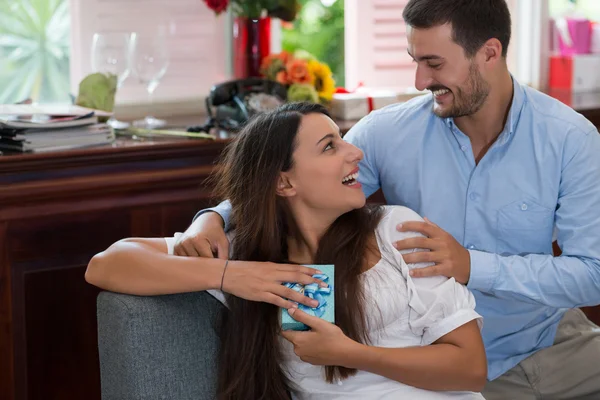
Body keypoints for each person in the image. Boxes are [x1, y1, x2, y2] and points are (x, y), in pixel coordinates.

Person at [175, 1, 600, 399]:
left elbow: (593, 274)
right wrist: (214, 216)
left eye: (434, 63)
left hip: (546, 341)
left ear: (489, 53)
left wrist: (472, 265)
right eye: (415, 60)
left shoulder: (569, 139)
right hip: (443, 364)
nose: (419, 81)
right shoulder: (386, 133)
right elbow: (290, 182)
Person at [86, 102, 488, 400]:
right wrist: (229, 275)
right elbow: (105, 265)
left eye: (343, 140)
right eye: (330, 146)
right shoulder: (248, 262)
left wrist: (352, 353)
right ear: (284, 184)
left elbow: (470, 368)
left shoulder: (395, 229)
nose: (356, 154)